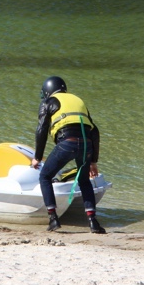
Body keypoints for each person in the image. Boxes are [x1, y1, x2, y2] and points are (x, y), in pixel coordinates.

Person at [30, 76, 106, 233]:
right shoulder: (78, 100)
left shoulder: (48, 102)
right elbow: (94, 131)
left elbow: (41, 130)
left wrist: (37, 157)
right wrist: (93, 161)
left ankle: (53, 218)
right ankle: (93, 222)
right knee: (84, 181)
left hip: (67, 143)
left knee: (45, 176)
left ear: (47, 91)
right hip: (86, 146)